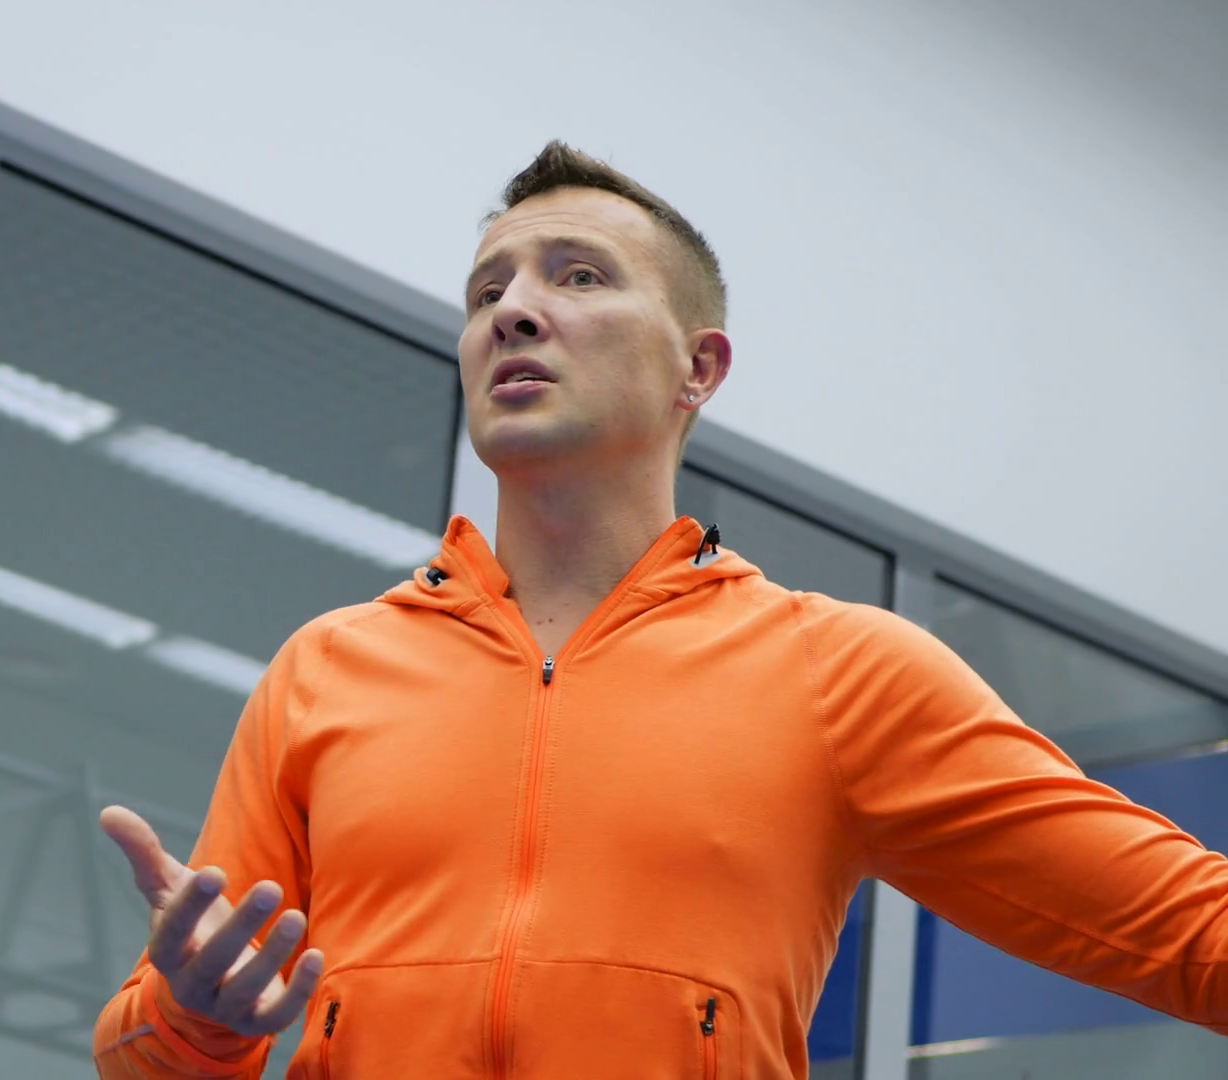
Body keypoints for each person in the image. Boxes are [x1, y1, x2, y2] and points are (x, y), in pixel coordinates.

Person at [91, 142, 1228, 1078]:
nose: (514, 311)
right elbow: (144, 1059)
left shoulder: (836, 672)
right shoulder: (328, 669)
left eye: (579, 277)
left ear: (700, 368)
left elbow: (1191, 932)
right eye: (488, 292)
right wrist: (198, 1017)